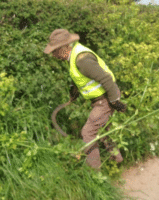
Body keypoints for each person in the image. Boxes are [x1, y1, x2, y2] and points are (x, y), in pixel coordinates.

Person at [43, 29, 127, 171]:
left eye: (54, 51)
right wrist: (74, 91)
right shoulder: (73, 57)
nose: (53, 55)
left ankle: (95, 174)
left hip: (105, 100)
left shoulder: (82, 60)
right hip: (100, 100)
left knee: (88, 133)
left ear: (64, 48)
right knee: (104, 131)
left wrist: (115, 101)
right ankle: (117, 161)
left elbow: (106, 79)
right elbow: (82, 78)